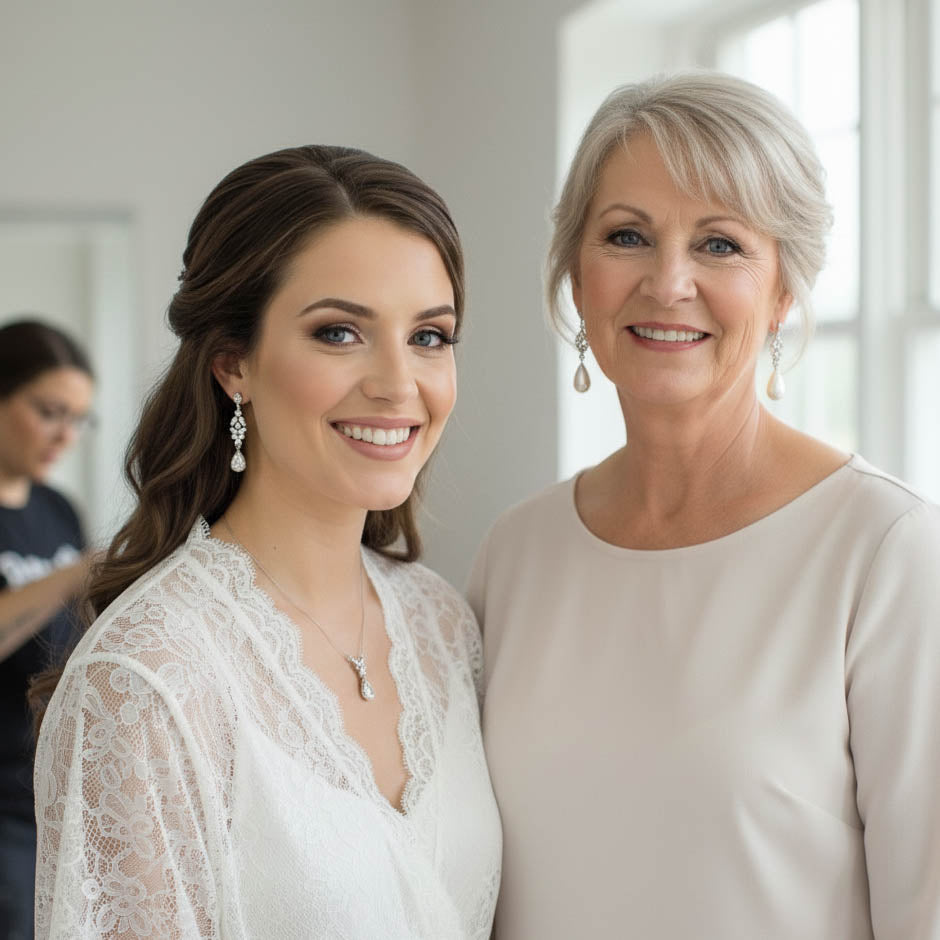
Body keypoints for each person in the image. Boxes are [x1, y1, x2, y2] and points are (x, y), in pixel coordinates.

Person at [468, 72, 940, 939]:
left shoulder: (887, 549)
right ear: (579, 275)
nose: (668, 280)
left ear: (783, 291)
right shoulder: (517, 553)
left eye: (720, 245)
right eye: (627, 236)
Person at [31, 146, 501, 939]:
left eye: (429, 336)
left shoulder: (443, 624)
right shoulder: (147, 682)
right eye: (340, 332)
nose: (398, 383)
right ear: (233, 364)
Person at [0, 319, 95, 940]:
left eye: (79, 419)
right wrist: (72, 575)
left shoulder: (58, 510)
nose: (65, 436)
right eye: (49, 412)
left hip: (53, 795)